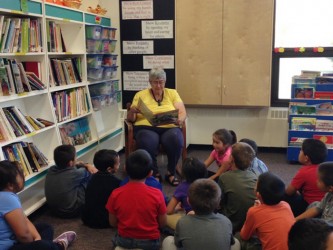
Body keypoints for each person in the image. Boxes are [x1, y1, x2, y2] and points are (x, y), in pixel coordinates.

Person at [126, 67, 187, 186]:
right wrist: (132, 111)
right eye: (155, 82)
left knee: (176, 139)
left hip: (169, 126)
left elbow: (183, 112)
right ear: (150, 82)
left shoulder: (172, 93)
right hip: (146, 127)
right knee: (147, 141)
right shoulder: (140, 95)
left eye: (161, 82)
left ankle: (171, 172)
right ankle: (154, 173)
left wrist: (180, 120)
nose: (158, 86)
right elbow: (130, 119)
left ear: (165, 81)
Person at [0, 160, 77, 250]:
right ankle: (58, 246)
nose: (23, 176)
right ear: (10, 185)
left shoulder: (6, 194)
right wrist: (36, 244)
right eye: (20, 175)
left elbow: (24, 220)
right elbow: (23, 236)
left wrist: (37, 237)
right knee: (42, 245)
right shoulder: (7, 198)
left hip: (14, 240)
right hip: (8, 247)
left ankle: (50, 246)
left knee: (46, 228)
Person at [106, 149, 167, 250]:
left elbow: (112, 223)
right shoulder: (157, 194)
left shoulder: (115, 193)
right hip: (150, 242)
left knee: (116, 240)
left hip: (124, 240)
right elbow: (163, 223)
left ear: (125, 168)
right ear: (150, 173)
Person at [162, 179, 234, 250]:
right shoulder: (226, 221)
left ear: (188, 201)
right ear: (218, 203)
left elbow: (178, 243)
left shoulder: (182, 222)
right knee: (235, 243)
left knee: (168, 241)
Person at [239, 172, 295, 250]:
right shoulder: (286, 205)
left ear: (258, 195)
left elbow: (244, 236)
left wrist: (255, 210)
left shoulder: (254, 212)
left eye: (256, 184)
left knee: (237, 238)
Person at [44, 145, 98, 218]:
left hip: (53, 210)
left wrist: (77, 164)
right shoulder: (76, 173)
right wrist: (87, 165)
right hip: (70, 211)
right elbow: (92, 171)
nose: (76, 159)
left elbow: (74, 166)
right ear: (70, 163)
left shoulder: (51, 169)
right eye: (76, 157)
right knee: (90, 177)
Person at [218, 142, 257, 233]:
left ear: (231, 158)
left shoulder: (224, 177)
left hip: (231, 224)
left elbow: (219, 202)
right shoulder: (255, 176)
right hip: (251, 224)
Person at [285, 138, 328, 216]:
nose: (299, 152)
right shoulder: (326, 169)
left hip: (310, 207)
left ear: (306, 158)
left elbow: (289, 191)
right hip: (327, 206)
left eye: (301, 150)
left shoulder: (304, 172)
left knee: (284, 196)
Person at [81, 149, 121, 228]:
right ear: (109, 169)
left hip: (87, 219)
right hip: (105, 221)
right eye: (118, 163)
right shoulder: (117, 183)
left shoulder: (91, 178)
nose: (119, 164)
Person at [166, 157, 208, 229]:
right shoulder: (209, 184)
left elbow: (168, 210)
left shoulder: (182, 187)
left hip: (191, 220)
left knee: (164, 215)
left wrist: (177, 208)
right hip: (208, 218)